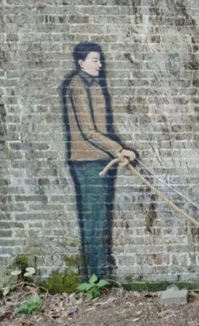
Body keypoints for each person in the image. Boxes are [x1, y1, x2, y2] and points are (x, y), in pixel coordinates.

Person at [61, 42, 137, 279]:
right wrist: (119, 149)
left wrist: (115, 150)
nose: (100, 64)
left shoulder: (92, 84)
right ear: (81, 62)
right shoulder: (78, 86)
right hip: (88, 162)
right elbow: (88, 131)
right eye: (94, 60)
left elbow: (101, 128)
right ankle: (96, 277)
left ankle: (100, 273)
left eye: (100, 59)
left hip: (99, 159)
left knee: (100, 218)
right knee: (94, 219)